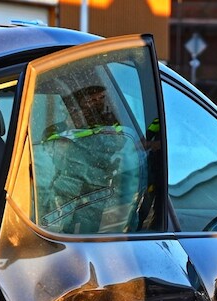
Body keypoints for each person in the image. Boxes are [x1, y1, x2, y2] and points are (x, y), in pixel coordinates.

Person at [36, 85, 147, 234]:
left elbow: (129, 194)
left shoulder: (120, 136)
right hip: (60, 226)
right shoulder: (55, 136)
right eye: (91, 101)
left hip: (101, 229)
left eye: (101, 99)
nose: (97, 104)